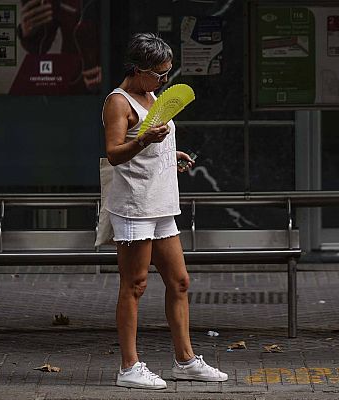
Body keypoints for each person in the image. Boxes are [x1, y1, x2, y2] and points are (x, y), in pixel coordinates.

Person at [102, 33, 228, 390]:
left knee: (180, 282)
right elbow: (114, 153)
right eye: (160, 73)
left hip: (161, 203)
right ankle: (129, 367)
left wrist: (170, 154)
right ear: (139, 70)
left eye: (167, 73)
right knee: (135, 285)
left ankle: (185, 361)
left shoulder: (150, 93)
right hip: (134, 205)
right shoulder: (118, 102)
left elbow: (149, 142)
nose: (164, 80)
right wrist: (144, 140)